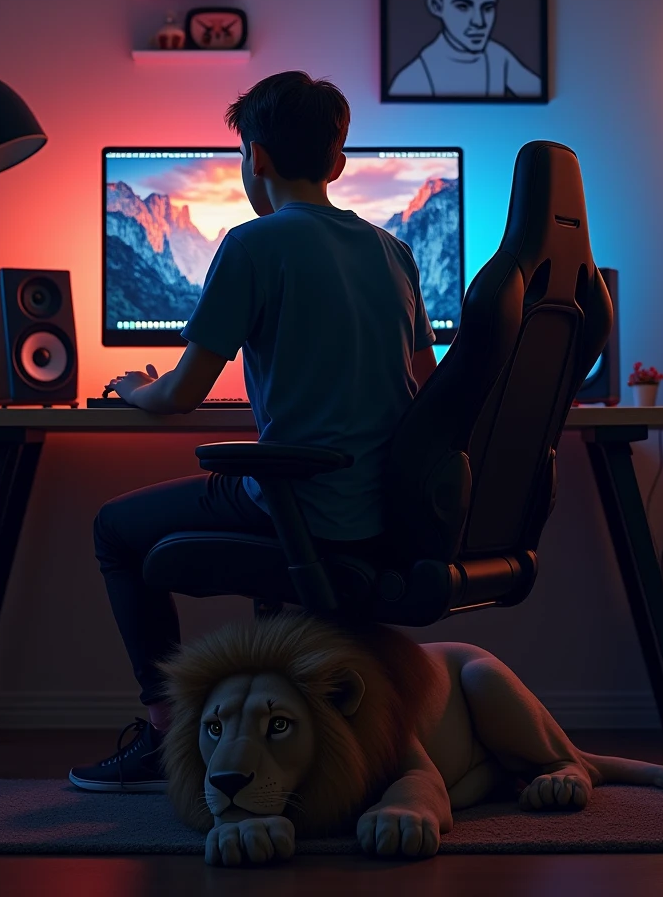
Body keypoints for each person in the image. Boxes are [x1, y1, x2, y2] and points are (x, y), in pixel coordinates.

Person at [68, 71, 439, 792]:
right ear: (337, 164)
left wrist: (132, 390)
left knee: (114, 530)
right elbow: (427, 392)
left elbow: (182, 396)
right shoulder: (393, 253)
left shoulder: (252, 245)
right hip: (378, 514)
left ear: (255, 158)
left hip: (297, 505)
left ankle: (163, 732)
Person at [388, 0, 542, 99]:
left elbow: (541, 94)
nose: (479, 22)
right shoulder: (415, 76)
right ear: (436, 7)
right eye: (463, 7)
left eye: (488, 8)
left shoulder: (497, 56)